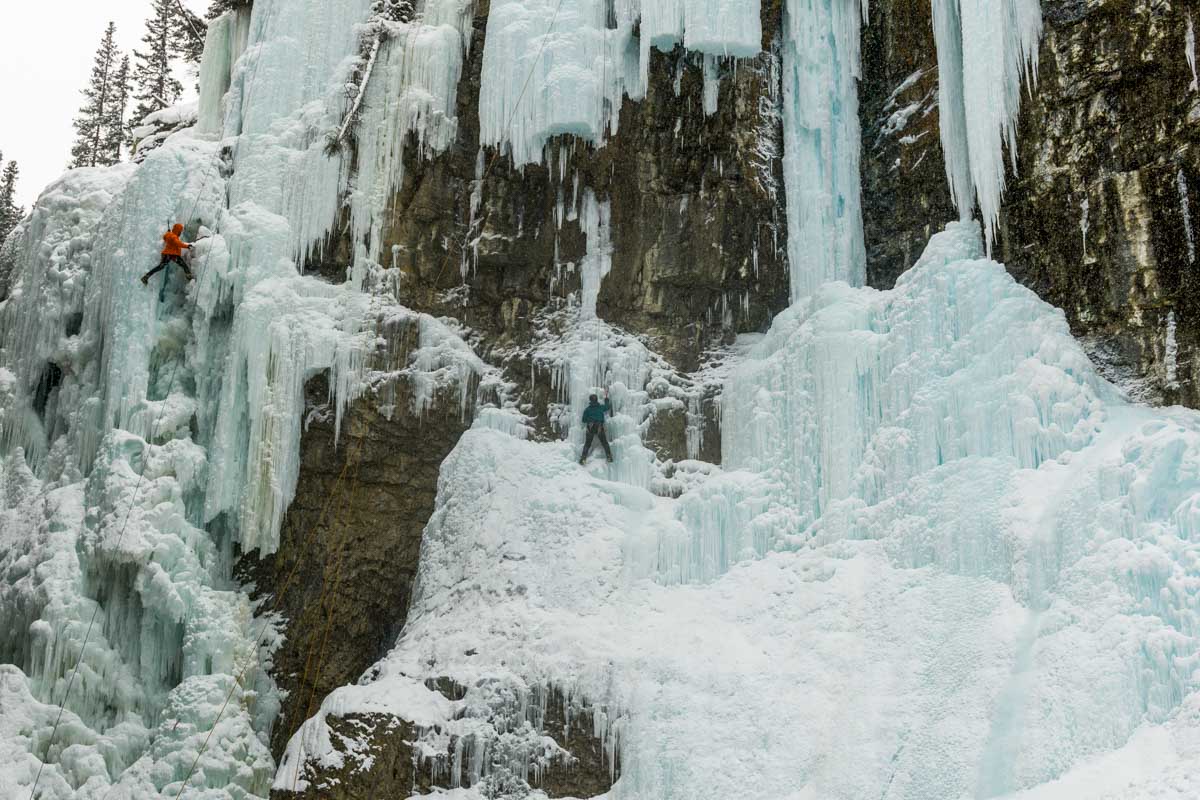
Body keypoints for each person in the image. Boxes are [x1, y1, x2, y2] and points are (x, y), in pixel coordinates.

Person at [579, 391, 614, 464]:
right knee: (604, 443)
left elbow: (583, 420)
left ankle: (583, 459)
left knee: (587, 444)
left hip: (590, 428)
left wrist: (590, 419)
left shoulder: (587, 409)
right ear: (597, 400)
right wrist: (606, 400)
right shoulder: (600, 407)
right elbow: (607, 407)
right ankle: (609, 457)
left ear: (590, 400)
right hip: (599, 427)